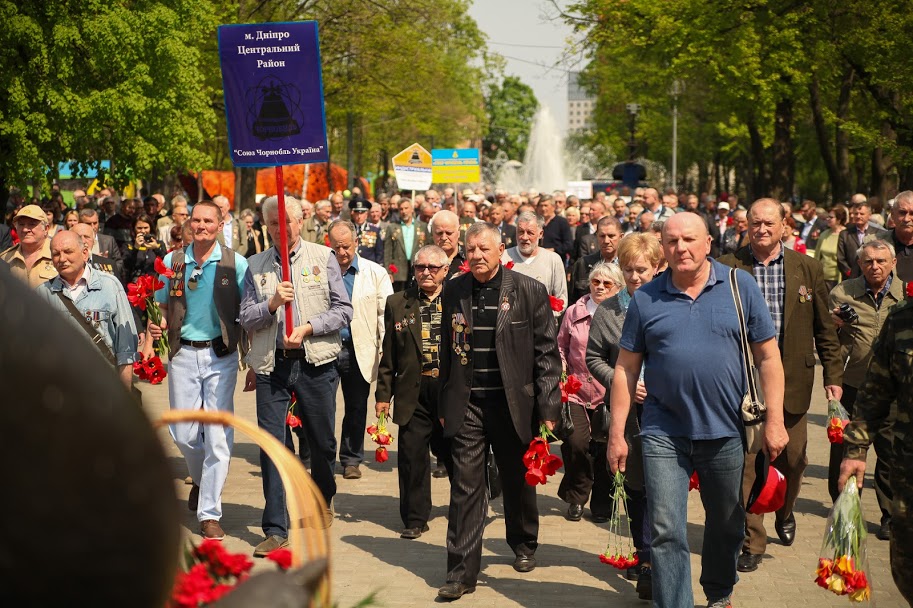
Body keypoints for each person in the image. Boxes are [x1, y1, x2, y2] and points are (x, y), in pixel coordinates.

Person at [609, 212, 787, 608]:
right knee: (666, 530)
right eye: (672, 241)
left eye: (689, 239)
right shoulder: (646, 298)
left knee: (726, 524)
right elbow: (625, 368)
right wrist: (617, 434)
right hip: (662, 432)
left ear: (708, 243)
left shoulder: (740, 286)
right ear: (662, 248)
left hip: (725, 430)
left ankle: (719, 593)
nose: (681, 248)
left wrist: (775, 420)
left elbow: (768, 357)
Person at [436, 223, 561, 601]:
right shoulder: (454, 290)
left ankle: (523, 542)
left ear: (501, 249)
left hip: (514, 404)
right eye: (471, 249)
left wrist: (549, 407)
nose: (476, 255)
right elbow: (445, 350)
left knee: (516, 479)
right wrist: (444, 402)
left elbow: (546, 354)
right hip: (469, 404)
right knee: (465, 488)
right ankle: (460, 572)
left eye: (484, 249)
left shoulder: (528, 290)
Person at [718, 198, 843, 573]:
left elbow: (825, 329)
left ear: (784, 225)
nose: (761, 229)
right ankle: (752, 540)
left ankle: (785, 509)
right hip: (743, 379)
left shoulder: (807, 268)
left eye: (769, 223)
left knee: (794, 458)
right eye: (755, 223)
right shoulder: (726, 266)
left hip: (794, 381)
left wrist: (833, 379)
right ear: (746, 225)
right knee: (748, 463)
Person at [239, 196, 352, 556]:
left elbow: (343, 310)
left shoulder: (323, 257)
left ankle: (323, 494)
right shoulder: (255, 265)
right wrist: (271, 304)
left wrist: (307, 328)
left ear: (301, 220)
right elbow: (245, 316)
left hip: (316, 362)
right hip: (272, 366)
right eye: (273, 223)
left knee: (322, 442)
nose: (280, 229)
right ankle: (276, 528)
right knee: (272, 446)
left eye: (286, 221)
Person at [149, 200, 249, 541]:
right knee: (183, 433)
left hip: (221, 356)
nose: (201, 226)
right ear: (189, 224)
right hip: (183, 354)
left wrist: (253, 359)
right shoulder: (173, 262)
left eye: (208, 221)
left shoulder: (235, 263)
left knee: (218, 437)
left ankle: (209, 514)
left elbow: (249, 311)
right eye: (196, 220)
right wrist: (157, 326)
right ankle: (204, 480)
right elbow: (162, 306)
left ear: (220, 225)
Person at [587, 233, 664, 599]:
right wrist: (622, 384)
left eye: (642, 270)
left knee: (660, 484)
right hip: (628, 411)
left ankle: (654, 558)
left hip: (666, 409)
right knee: (635, 484)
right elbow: (593, 358)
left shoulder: (669, 302)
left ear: (657, 268)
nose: (634, 277)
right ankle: (644, 554)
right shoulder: (609, 311)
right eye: (628, 269)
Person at [375, 245, 454, 539]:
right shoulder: (398, 303)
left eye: (433, 267)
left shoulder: (459, 300)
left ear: (445, 270)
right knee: (412, 457)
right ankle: (415, 518)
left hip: (449, 392)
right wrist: (383, 396)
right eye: (421, 267)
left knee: (457, 455)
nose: (426, 272)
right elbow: (389, 355)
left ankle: (468, 507)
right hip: (413, 392)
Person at [839, 299, 913, 606]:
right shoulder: (903, 320)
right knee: (906, 567)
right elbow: (874, 393)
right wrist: (855, 450)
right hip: (908, 474)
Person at [828, 239, 902, 540]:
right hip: (853, 386)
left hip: (893, 390)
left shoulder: (906, 296)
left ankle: (889, 516)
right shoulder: (843, 293)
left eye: (881, 261)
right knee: (846, 451)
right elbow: (828, 341)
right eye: (868, 261)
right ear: (859, 264)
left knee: (890, 454)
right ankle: (845, 512)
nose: (875, 266)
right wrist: (833, 324)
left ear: (893, 263)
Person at [327, 220, 393, 480]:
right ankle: (321, 457)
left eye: (347, 246)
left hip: (359, 349)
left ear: (356, 242)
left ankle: (351, 459)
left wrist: (386, 349)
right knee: (321, 407)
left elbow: (385, 314)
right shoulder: (322, 269)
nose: (342, 252)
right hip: (326, 348)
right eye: (337, 247)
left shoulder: (375, 272)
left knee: (356, 407)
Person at [557, 262, 621, 520]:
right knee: (577, 444)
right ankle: (576, 496)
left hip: (609, 391)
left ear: (618, 288)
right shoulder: (574, 311)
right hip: (576, 390)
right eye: (596, 282)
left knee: (605, 447)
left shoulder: (622, 314)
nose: (600, 287)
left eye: (607, 283)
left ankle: (603, 504)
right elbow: (561, 345)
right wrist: (561, 368)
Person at [36, 232, 138, 390]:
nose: (62, 259)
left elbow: (126, 349)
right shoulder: (43, 293)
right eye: (56, 254)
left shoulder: (110, 286)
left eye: (68, 252)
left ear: (84, 254)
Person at [501, 212, 568, 311]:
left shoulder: (553, 260)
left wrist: (544, 316)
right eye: (520, 232)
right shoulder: (503, 257)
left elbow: (561, 300)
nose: (524, 237)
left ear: (540, 234)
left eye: (530, 233)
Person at [1, 204, 57, 287]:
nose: (25, 229)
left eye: (32, 224)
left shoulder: (58, 255)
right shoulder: (5, 258)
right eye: (21, 224)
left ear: (46, 229)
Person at [569, 216, 622, 303]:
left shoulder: (629, 266)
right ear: (596, 236)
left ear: (621, 237)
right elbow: (572, 300)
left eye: (611, 236)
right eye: (602, 236)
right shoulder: (583, 264)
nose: (606, 241)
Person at [384, 198, 428, 292]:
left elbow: (428, 247)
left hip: (417, 267)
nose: (404, 211)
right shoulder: (392, 227)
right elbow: (387, 252)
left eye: (406, 208)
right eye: (401, 209)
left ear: (412, 209)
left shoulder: (422, 226)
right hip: (398, 270)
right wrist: (388, 271)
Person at [78, 208, 124, 283]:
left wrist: (105, 265)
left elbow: (119, 263)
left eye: (95, 223)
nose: (93, 227)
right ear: (80, 223)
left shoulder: (109, 241)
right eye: (88, 224)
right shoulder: (75, 241)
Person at [838, 201, 881, 279]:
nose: (858, 216)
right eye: (856, 214)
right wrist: (850, 273)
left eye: (862, 214)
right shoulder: (845, 234)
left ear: (869, 215)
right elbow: (840, 258)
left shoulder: (878, 233)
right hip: (850, 278)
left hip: (872, 276)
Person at [879, 190, 913, 282]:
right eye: (902, 212)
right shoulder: (873, 244)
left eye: (912, 213)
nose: (906, 219)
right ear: (893, 215)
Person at [122, 214, 166, 284]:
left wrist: (156, 249)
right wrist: (135, 248)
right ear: (134, 229)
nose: (143, 231)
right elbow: (126, 266)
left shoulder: (159, 244)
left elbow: (165, 263)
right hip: (136, 283)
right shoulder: (128, 245)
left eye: (146, 228)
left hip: (154, 283)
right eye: (139, 228)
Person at [814, 204, 848, 290]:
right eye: (827, 217)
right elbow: (817, 256)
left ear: (839, 219)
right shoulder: (824, 234)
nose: (827, 219)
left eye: (831, 217)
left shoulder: (846, 235)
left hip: (838, 279)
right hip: (822, 277)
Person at [348, 198, 384, 265]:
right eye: (357, 213)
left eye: (362, 213)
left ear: (367, 214)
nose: (359, 216)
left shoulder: (375, 230)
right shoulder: (348, 229)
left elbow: (379, 252)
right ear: (353, 214)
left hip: (369, 265)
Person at [430, 210, 464, 278]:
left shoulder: (469, 257)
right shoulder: (424, 260)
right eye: (439, 233)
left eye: (449, 233)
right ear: (432, 233)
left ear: (458, 232)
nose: (444, 238)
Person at [538, 195, 574, 261]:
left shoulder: (562, 222)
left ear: (553, 207)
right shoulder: (537, 222)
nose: (543, 208)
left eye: (546, 206)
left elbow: (568, 244)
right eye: (541, 206)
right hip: (539, 259)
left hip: (556, 260)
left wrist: (554, 249)